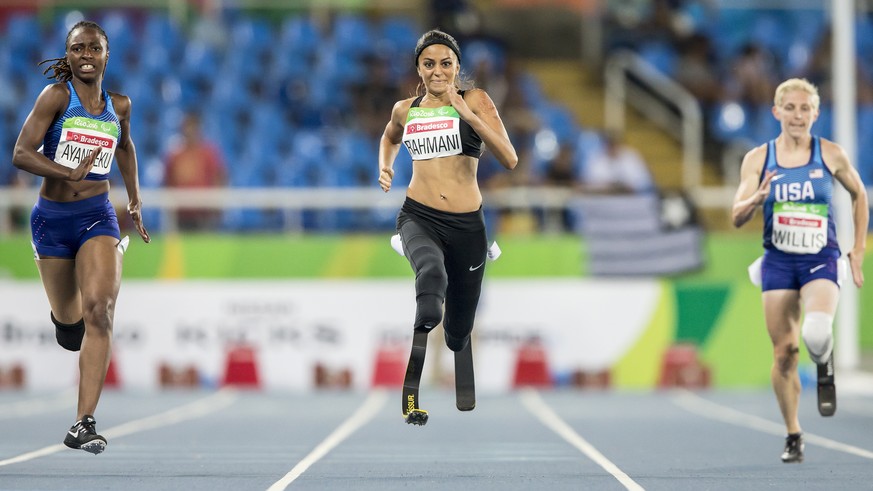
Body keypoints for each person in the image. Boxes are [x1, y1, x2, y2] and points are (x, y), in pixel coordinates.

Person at [11, 20, 150, 454]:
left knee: (100, 311)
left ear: (107, 55)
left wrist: (134, 200)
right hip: (52, 220)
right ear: (67, 56)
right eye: (78, 49)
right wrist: (64, 171)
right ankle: (64, 320)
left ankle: (83, 422)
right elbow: (21, 153)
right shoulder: (56, 97)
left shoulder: (119, 106)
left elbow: (125, 148)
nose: (86, 55)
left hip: (96, 215)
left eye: (94, 48)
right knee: (71, 329)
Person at [378, 29, 517, 425]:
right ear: (418, 69)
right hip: (418, 215)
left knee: (459, 329)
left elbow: (509, 158)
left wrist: (468, 115)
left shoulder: (477, 100)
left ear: (457, 67)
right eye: (429, 64)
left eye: (445, 63)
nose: (437, 71)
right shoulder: (406, 109)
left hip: (467, 226)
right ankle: (413, 386)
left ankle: (455, 340)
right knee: (431, 278)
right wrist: (385, 166)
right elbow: (389, 137)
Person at [731, 78, 867, 463]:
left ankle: (824, 360)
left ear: (815, 113)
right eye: (789, 108)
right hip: (778, 260)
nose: (797, 115)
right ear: (776, 112)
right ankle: (793, 432)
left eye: (805, 108)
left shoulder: (830, 154)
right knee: (785, 354)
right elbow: (736, 214)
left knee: (817, 331)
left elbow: (859, 194)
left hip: (820, 256)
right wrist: (755, 199)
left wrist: (857, 248)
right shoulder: (758, 159)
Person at [163, 111, 227, 230]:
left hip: (204, 214)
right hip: (181, 215)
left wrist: (217, 204)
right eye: (187, 126)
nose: (190, 130)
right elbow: (168, 182)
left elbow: (219, 177)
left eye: (193, 126)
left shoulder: (209, 153)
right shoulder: (175, 155)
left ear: (199, 129)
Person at [583, 130, 654, 194]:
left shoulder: (631, 156)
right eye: (610, 144)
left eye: (615, 144)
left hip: (632, 198)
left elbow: (644, 181)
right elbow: (589, 182)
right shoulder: (596, 157)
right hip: (604, 198)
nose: (613, 148)